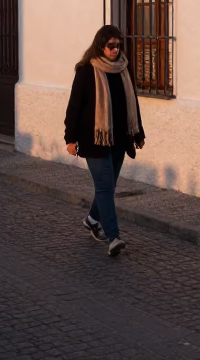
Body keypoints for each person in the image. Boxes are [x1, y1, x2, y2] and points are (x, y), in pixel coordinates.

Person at [64, 25, 145, 257]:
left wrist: (138, 132)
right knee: (104, 187)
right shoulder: (86, 71)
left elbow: (133, 103)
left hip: (119, 139)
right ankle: (113, 236)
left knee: (108, 187)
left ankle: (91, 220)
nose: (115, 49)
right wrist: (70, 139)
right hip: (94, 139)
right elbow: (74, 107)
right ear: (100, 45)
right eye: (111, 45)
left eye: (118, 45)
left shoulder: (123, 69)